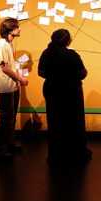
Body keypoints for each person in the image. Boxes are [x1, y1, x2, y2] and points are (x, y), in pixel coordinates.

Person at [38, 29, 92, 166]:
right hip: (71, 91)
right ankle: (76, 153)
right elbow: (82, 73)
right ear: (67, 41)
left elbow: (41, 72)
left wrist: (54, 77)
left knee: (54, 121)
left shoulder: (46, 53)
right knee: (74, 121)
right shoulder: (72, 55)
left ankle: (55, 154)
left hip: (52, 90)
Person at [0, 18, 28, 161]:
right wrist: (20, 79)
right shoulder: (1, 45)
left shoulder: (8, 44)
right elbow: (4, 68)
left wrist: (18, 80)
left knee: (11, 118)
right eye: (17, 27)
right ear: (10, 29)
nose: (20, 29)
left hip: (12, 86)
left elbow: (10, 66)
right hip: (5, 86)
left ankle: (9, 144)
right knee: (5, 119)